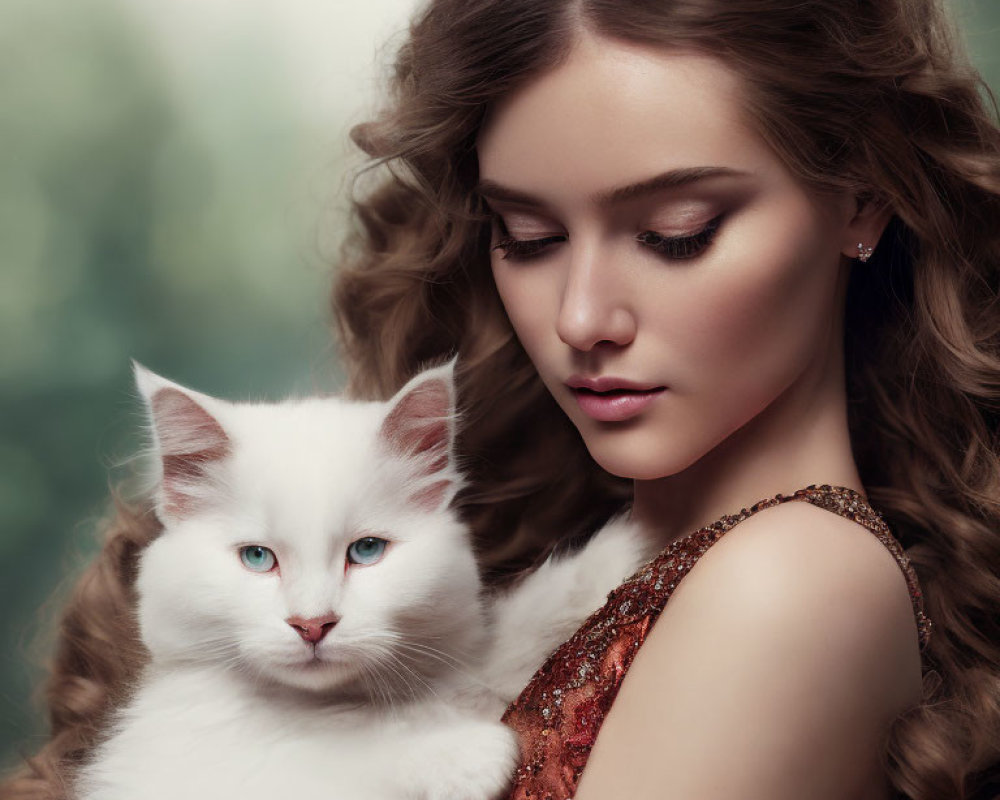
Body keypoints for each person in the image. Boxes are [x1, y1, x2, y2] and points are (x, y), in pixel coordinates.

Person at [3, 0, 999, 798]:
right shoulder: (492, 572)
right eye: (526, 235)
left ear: (860, 199)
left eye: (676, 231)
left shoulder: (789, 583)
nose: (581, 316)